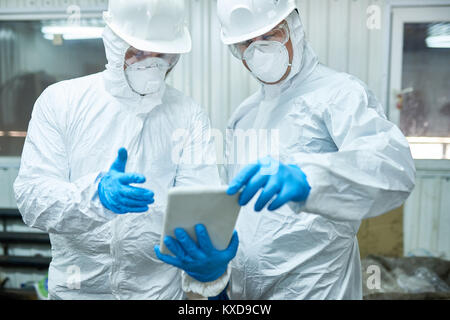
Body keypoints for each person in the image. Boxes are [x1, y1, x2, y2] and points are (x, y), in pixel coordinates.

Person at [14, 0, 236, 300]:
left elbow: (199, 208)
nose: (152, 64)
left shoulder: (187, 115)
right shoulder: (61, 102)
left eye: (162, 54)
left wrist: (210, 266)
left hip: (157, 294)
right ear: (114, 43)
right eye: (139, 51)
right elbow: (32, 199)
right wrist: (94, 196)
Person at [217, 0, 416, 299]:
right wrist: (217, 273)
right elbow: (231, 202)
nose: (259, 50)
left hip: (316, 289)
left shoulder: (339, 94)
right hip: (246, 293)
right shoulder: (243, 116)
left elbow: (393, 167)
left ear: (294, 27)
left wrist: (312, 178)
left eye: (270, 35)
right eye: (247, 42)